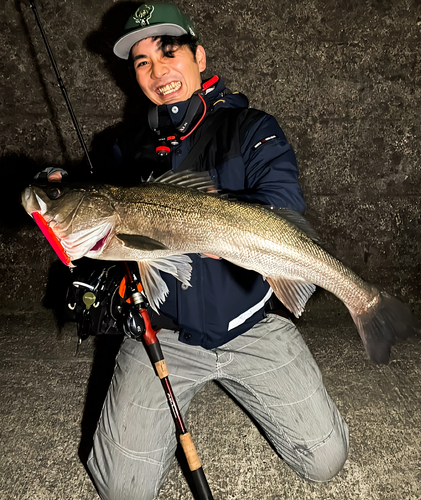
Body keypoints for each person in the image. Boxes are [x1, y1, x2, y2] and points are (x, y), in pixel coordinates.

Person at [86, 4, 349, 499]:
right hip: (161, 334)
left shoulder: (251, 128)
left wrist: (209, 223)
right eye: (142, 62)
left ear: (199, 55)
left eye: (169, 52)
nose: (159, 70)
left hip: (251, 323)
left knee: (325, 459)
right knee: (122, 489)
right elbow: (91, 197)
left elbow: (283, 204)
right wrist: (57, 185)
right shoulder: (124, 147)